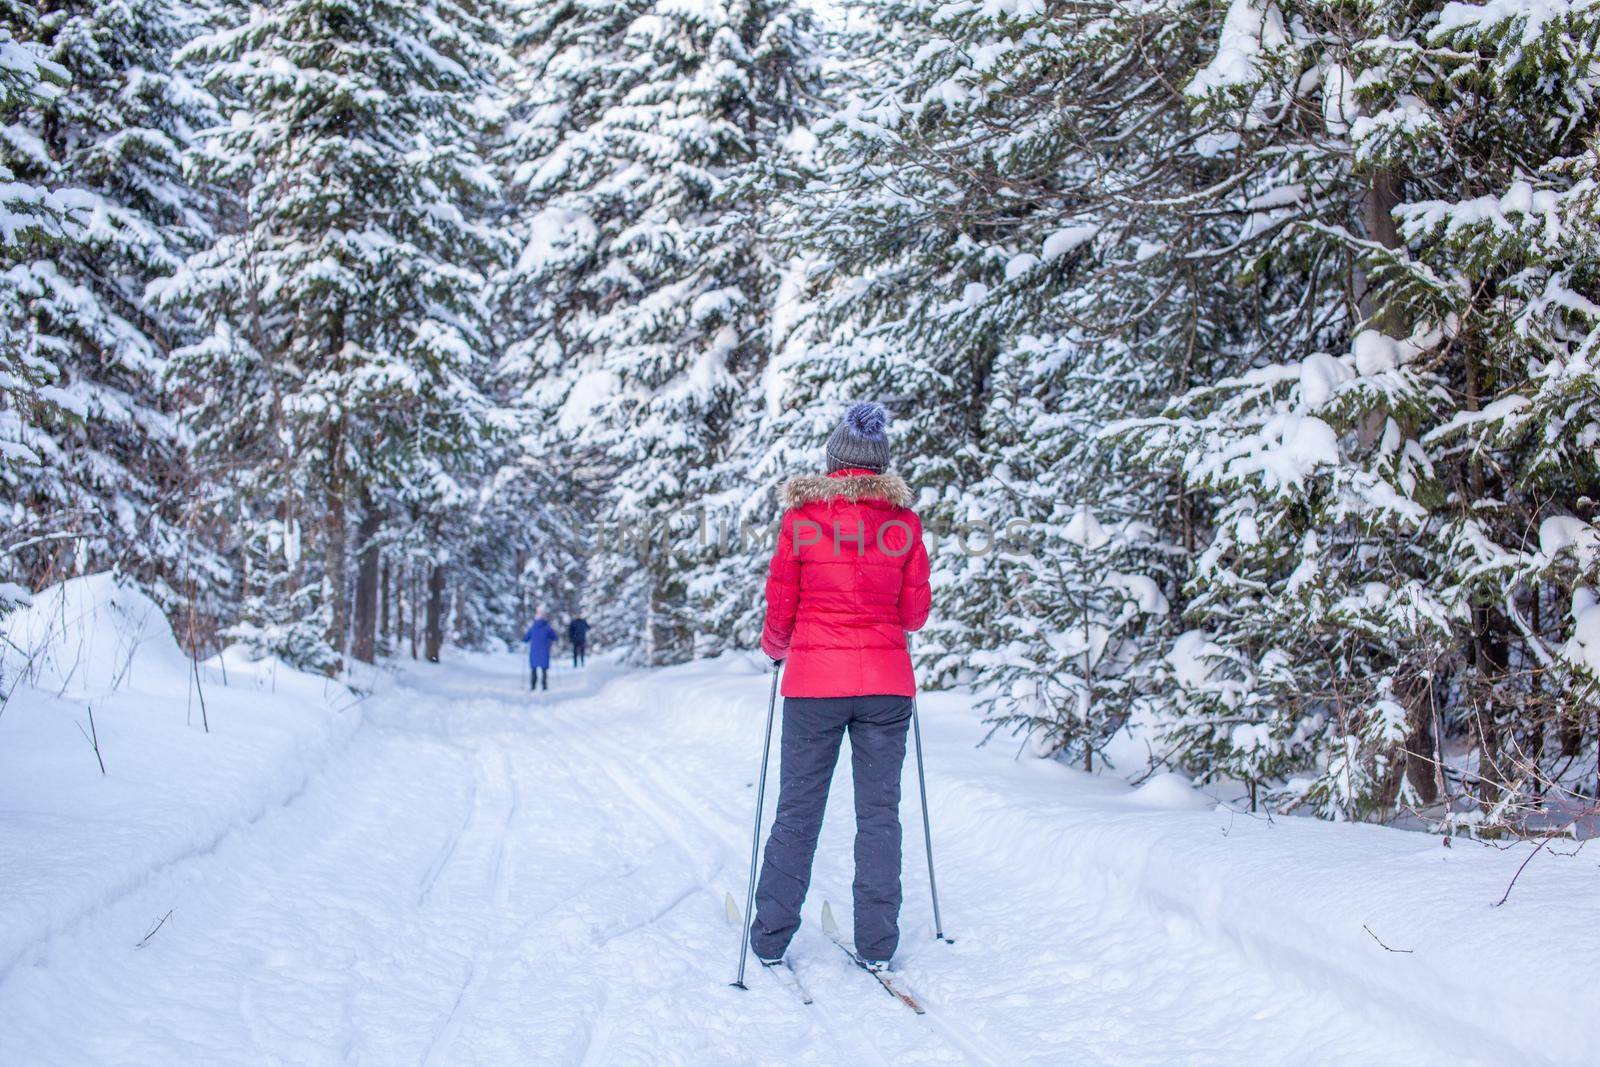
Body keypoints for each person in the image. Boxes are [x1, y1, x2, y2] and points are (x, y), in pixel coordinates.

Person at [749, 400, 931, 972]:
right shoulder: (903, 524)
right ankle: (878, 945)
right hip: (885, 686)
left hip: (812, 685)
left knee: (798, 810)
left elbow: (783, 601)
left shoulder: (802, 521)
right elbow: (915, 613)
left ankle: (770, 939)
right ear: (881, 467)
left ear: (832, 463)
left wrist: (777, 648)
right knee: (880, 813)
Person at [522, 608, 558, 691]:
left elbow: (526, 638)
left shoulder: (533, 627)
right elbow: (554, 637)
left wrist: (524, 641)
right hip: (544, 650)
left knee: (533, 668)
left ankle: (533, 685)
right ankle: (544, 685)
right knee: (544, 669)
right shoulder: (547, 627)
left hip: (534, 651)